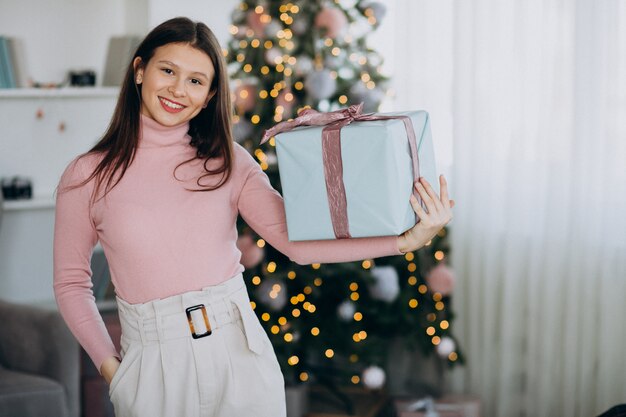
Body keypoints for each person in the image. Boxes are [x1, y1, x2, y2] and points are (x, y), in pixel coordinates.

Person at [53, 16, 454, 417]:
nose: (178, 89)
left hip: (239, 354)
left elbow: (296, 243)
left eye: (196, 81)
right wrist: (111, 370)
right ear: (140, 71)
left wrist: (405, 241)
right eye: (168, 71)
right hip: (152, 367)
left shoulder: (230, 163)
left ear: (210, 95)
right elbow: (71, 283)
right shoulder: (87, 174)